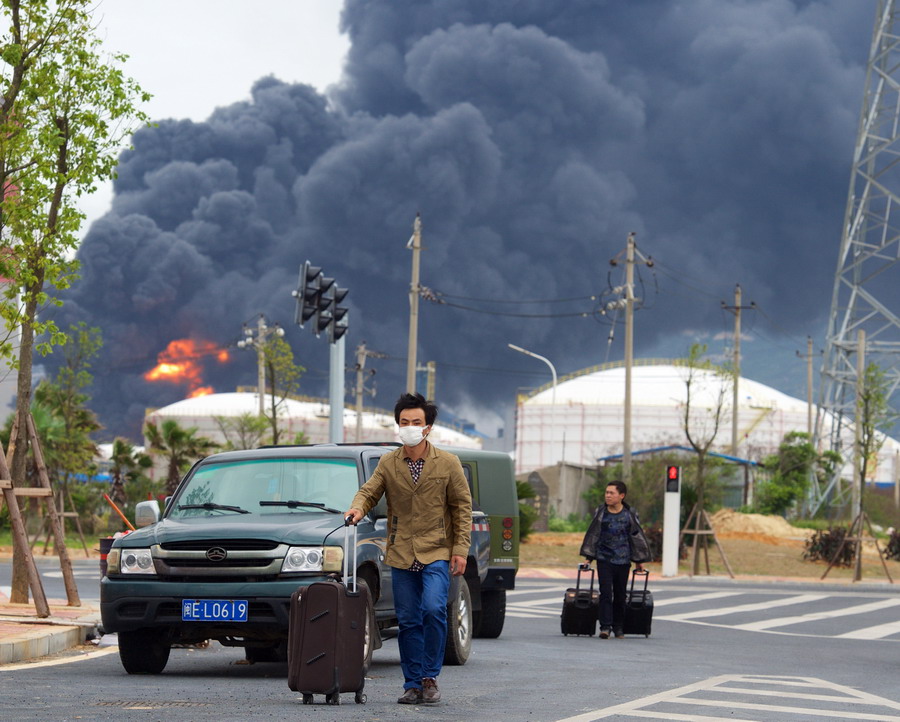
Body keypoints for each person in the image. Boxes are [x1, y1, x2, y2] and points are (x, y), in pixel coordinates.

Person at [345, 392, 472, 705]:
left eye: (416, 422)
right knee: (409, 620)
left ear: (427, 427)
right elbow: (368, 492)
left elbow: (462, 507)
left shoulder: (448, 462)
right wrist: (357, 509)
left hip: (437, 552)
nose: (410, 427)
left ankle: (430, 676)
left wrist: (460, 549)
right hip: (401, 553)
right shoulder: (389, 462)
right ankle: (412, 683)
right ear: (397, 426)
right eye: (404, 422)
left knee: (433, 610)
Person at [579, 480, 651, 639]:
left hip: (623, 560)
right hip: (604, 559)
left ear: (621, 496)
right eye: (606, 493)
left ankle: (618, 627)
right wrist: (588, 559)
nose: (608, 496)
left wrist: (639, 561)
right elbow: (594, 535)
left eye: (611, 493)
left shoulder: (630, 514)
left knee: (620, 594)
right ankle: (605, 627)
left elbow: (636, 537)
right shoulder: (601, 512)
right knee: (605, 593)